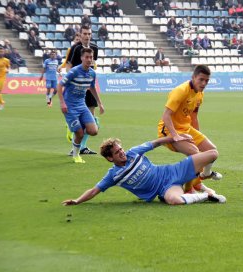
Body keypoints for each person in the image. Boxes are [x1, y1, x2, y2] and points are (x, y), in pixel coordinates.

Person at [62, 136, 226, 206]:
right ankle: (206, 195)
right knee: (174, 201)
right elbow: (93, 191)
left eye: (121, 149)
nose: (122, 152)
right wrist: (77, 201)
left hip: (174, 171)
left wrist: (177, 137)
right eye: (118, 152)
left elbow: (156, 142)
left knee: (213, 154)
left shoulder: (133, 152)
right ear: (110, 158)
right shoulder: (114, 175)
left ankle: (204, 177)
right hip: (165, 188)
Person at [157, 65, 222, 194]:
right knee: (195, 154)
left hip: (186, 128)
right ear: (193, 77)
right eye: (201, 79)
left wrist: (198, 134)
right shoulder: (181, 91)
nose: (204, 83)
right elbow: (166, 115)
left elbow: (194, 116)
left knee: (211, 150)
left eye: (206, 81)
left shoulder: (199, 94)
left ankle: (204, 175)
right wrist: (175, 135)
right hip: (169, 130)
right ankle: (189, 189)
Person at [57, 48, 104, 163]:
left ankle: (75, 126)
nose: (89, 59)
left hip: (81, 105)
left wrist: (100, 103)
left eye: (91, 57)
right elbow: (59, 85)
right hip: (70, 106)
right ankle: (76, 155)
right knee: (79, 134)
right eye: (87, 57)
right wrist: (62, 103)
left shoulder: (92, 73)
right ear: (82, 58)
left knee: (94, 131)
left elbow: (92, 87)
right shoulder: (74, 71)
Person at [65, 25, 99, 155]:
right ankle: (73, 141)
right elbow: (69, 65)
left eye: (89, 34)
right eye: (84, 33)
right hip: (75, 87)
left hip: (87, 84)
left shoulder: (95, 48)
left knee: (91, 115)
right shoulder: (75, 48)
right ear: (80, 34)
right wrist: (69, 82)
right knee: (77, 122)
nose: (87, 36)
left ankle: (83, 146)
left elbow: (93, 63)